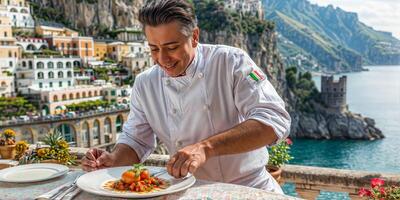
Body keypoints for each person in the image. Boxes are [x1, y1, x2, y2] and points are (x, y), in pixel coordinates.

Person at [81, 0, 291, 193]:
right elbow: (136, 140)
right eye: (154, 49)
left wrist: (205, 148)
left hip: (249, 187)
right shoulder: (145, 83)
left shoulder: (230, 62)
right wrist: (113, 160)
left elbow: (274, 119)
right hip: (189, 191)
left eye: (172, 47)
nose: (162, 59)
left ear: (195, 37)